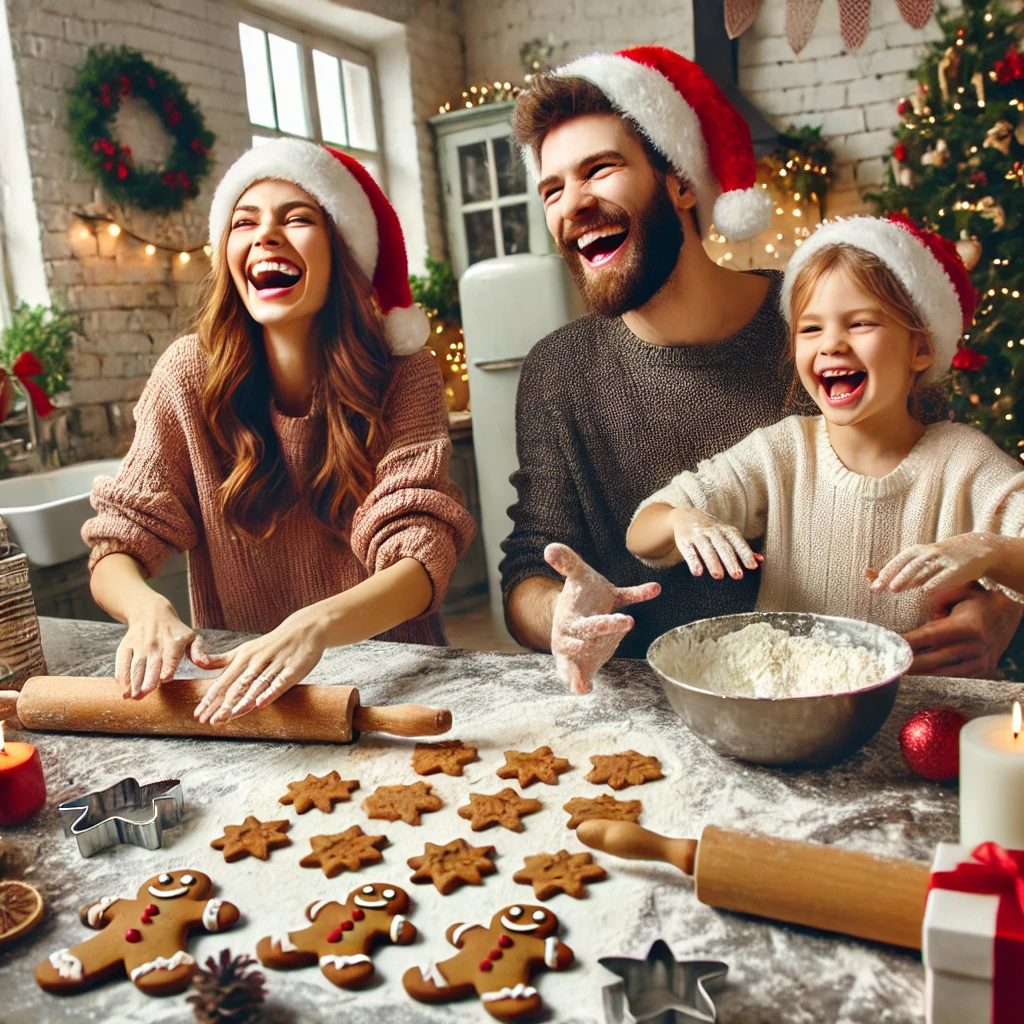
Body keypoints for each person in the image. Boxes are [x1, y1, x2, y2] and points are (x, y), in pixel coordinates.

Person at [500, 45, 1022, 693]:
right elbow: (531, 563)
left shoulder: (818, 321)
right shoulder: (559, 370)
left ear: (681, 180)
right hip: (641, 702)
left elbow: (946, 478)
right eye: (551, 189)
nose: (571, 204)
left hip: (831, 695)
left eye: (599, 170)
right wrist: (559, 616)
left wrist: (999, 611)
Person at [82, 139, 476, 723]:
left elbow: (420, 561)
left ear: (341, 251)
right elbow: (118, 541)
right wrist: (146, 610)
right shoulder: (187, 375)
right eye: (246, 222)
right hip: (248, 696)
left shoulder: (403, 372)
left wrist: (311, 628)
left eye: (296, 218)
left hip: (398, 686)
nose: (266, 235)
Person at [628, 214, 1024, 633]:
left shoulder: (964, 463)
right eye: (811, 328)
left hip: (915, 697)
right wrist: (681, 521)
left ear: (921, 349)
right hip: (788, 692)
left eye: (860, 323)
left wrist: (988, 551)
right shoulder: (785, 451)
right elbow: (642, 531)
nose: (831, 343)